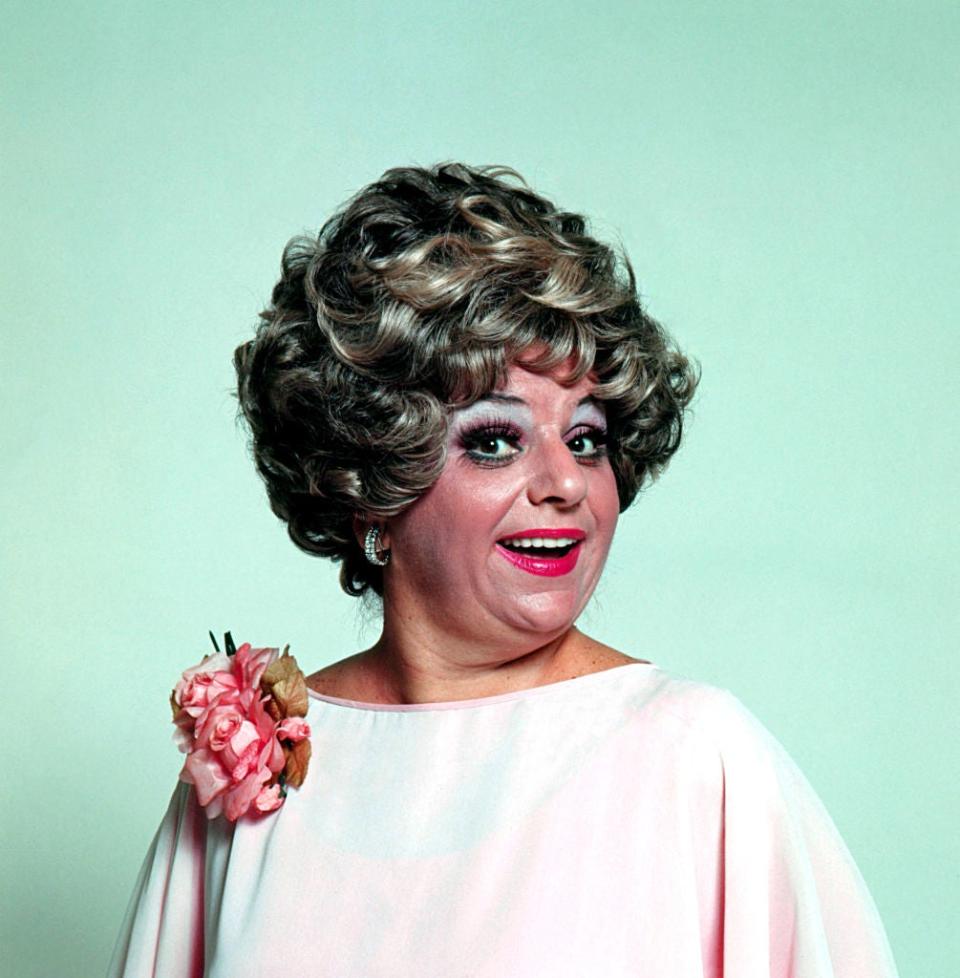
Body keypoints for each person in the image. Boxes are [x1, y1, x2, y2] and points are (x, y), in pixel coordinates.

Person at [108, 163, 899, 976]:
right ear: (372, 481)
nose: (566, 483)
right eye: (495, 439)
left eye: (586, 438)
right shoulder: (253, 765)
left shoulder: (696, 758)